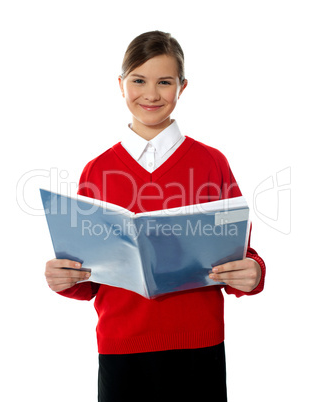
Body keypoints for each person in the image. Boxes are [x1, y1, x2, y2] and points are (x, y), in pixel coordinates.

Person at [45, 31, 266, 402]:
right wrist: (63, 278)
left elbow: (239, 251)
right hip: (121, 345)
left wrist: (255, 272)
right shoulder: (96, 171)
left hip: (198, 343)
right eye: (138, 80)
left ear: (182, 86)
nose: (151, 94)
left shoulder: (212, 163)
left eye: (164, 82)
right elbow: (89, 277)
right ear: (121, 84)